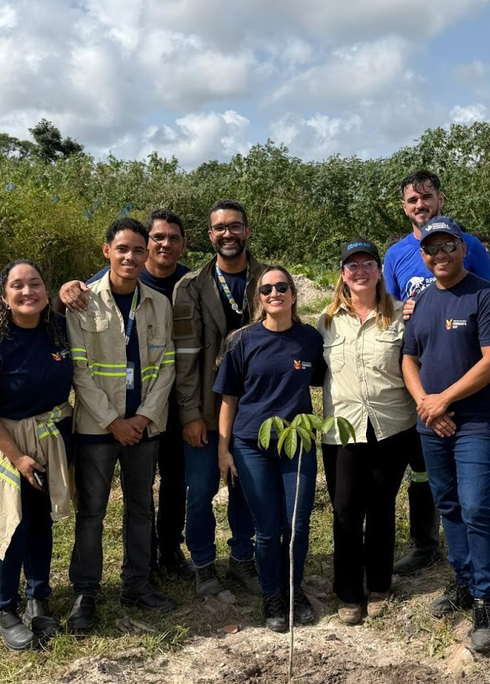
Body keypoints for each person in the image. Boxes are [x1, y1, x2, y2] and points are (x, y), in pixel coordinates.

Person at [60, 209, 194, 577]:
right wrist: (112, 421)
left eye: (137, 250)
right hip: (97, 429)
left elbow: (166, 365)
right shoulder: (84, 301)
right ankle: (85, 591)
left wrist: (143, 418)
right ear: (107, 250)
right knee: (91, 513)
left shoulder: (160, 302)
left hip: (143, 428)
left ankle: (139, 583)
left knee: (141, 509)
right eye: (122, 249)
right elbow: (79, 370)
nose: (130, 257)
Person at [401, 216, 490, 653]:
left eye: (448, 246)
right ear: (423, 256)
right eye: (432, 249)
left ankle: (488, 597)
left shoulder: (486, 295)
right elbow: (409, 359)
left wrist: (442, 399)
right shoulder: (423, 299)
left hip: (477, 422)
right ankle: (464, 581)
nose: (440, 255)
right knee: (447, 503)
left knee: (477, 505)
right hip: (432, 421)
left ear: (464, 249)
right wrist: (428, 405)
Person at [382, 170, 490, 576]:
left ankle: (477, 576)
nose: (419, 205)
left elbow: (488, 297)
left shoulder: (470, 247)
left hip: (467, 380)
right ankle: (425, 542)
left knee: (470, 494)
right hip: (419, 378)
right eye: (412, 200)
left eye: (426, 197)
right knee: (424, 469)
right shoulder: (395, 255)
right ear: (404, 207)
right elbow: (389, 311)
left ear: (440, 200)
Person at [0, 259, 75, 651]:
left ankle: (38, 596)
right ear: (4, 296)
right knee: (9, 526)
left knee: (41, 520)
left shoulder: (58, 331)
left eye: (36, 284)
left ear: (46, 291)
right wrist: (18, 458)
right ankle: (5, 607)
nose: (28, 292)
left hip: (51, 437)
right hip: (5, 441)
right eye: (18, 286)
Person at [215, 267, 325, 632]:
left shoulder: (310, 339)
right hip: (251, 444)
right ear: (258, 299)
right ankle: (272, 595)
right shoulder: (242, 340)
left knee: (297, 523)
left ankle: (293, 590)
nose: (274, 293)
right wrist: (224, 447)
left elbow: (326, 379)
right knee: (267, 527)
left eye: (282, 287)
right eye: (266, 289)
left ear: (294, 294)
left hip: (298, 441)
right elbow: (229, 398)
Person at [317, 239, 421, 625]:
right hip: (342, 430)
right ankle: (348, 592)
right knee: (345, 510)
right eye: (351, 266)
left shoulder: (401, 314)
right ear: (342, 274)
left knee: (381, 506)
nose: (359, 272)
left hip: (392, 425)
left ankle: (378, 584)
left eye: (367, 264)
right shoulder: (327, 320)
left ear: (380, 271)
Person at [171, 200, 262, 596]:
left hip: (254, 408)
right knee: (201, 489)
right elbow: (184, 357)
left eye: (235, 227)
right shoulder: (189, 287)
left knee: (245, 487)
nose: (228, 234)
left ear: (247, 231)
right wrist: (189, 413)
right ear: (210, 235)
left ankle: (243, 558)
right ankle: (204, 564)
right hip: (205, 410)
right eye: (220, 228)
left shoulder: (268, 279)